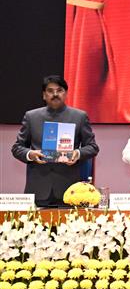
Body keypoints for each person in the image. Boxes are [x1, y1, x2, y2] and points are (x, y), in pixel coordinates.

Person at [12, 75, 99, 206]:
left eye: (59, 90)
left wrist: (77, 153)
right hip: (38, 188)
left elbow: (92, 147)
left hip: (71, 190)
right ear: (44, 95)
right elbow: (17, 148)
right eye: (50, 91)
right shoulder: (31, 117)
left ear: (66, 93)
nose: (55, 94)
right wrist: (31, 154)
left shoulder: (79, 116)